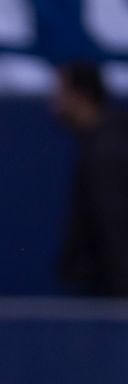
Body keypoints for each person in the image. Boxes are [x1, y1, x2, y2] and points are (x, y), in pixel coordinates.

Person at [52, 61, 128, 298]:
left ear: (81, 96)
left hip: (112, 295)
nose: (53, 102)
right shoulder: (105, 140)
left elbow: (115, 224)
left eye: (60, 93)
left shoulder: (107, 152)